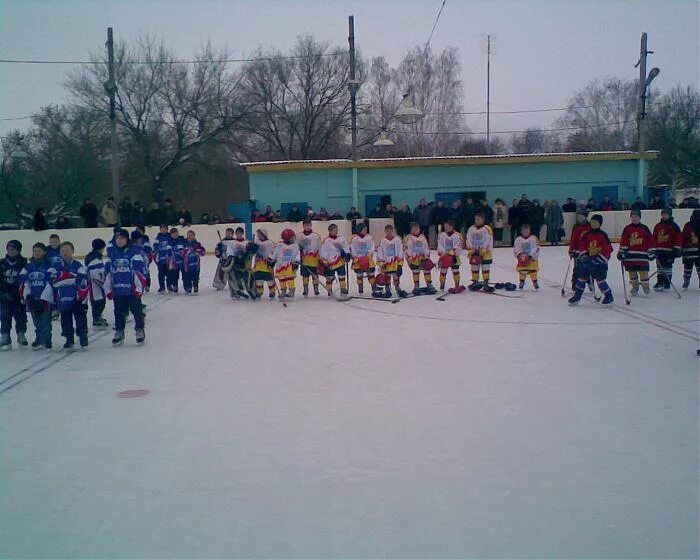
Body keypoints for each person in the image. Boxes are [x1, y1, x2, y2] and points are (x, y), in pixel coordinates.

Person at [105, 229, 147, 346]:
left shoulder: (134, 253)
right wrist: (108, 288)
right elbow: (108, 273)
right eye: (118, 238)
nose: (120, 240)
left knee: (137, 311)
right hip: (118, 291)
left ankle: (139, 329)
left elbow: (139, 272)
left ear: (127, 239)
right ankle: (119, 331)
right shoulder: (112, 253)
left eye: (122, 238)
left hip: (132, 290)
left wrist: (138, 288)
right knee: (118, 312)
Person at [568, 214, 613, 306]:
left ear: (600, 224)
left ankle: (608, 296)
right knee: (581, 279)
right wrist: (584, 257)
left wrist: (597, 260)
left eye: (596, 222)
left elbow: (608, 249)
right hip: (587, 262)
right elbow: (582, 246)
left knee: (600, 280)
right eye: (592, 222)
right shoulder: (586, 235)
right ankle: (577, 296)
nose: (594, 224)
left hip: (599, 263)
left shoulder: (603, 235)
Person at [50, 241, 89, 350]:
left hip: (76, 297)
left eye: (67, 250)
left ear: (72, 251)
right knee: (65, 320)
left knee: (80, 318)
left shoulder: (78, 265)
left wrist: (82, 297)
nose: (65, 252)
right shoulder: (56, 266)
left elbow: (83, 281)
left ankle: (83, 336)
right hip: (62, 299)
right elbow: (52, 279)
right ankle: (69, 338)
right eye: (63, 251)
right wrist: (69, 277)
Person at [19, 243, 53, 350]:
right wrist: (27, 295)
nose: (36, 253)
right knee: (36, 322)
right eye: (35, 251)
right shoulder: (28, 267)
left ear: (44, 252)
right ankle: (39, 339)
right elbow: (22, 280)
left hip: (45, 300)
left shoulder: (49, 266)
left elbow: (51, 282)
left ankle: (47, 340)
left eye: (39, 251)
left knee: (46, 321)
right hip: (32, 299)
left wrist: (45, 297)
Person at [618, 209, 654, 296]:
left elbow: (650, 241)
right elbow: (624, 241)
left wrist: (652, 251)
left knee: (643, 272)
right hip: (630, 256)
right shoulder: (627, 229)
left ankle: (646, 287)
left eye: (636, 217)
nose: (634, 219)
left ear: (640, 218)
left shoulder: (644, 228)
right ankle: (635, 287)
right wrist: (621, 252)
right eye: (632, 217)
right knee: (632, 272)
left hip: (642, 256)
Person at [0, 240, 28, 350]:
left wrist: (21, 293)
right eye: (9, 249)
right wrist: (2, 292)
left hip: (18, 296)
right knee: (5, 316)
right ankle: (5, 335)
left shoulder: (23, 263)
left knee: (20, 315)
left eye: (14, 249)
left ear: (19, 250)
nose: (11, 251)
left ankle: (21, 334)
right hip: (4, 295)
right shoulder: (2, 263)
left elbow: (25, 280)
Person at [652, 208, 682, 291]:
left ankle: (667, 283)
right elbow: (654, 238)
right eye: (663, 214)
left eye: (666, 214)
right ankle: (660, 282)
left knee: (667, 267)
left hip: (669, 251)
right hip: (659, 250)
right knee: (659, 267)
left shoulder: (674, 226)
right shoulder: (658, 226)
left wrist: (677, 249)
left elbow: (678, 238)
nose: (664, 216)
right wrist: (653, 248)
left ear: (670, 215)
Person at [404, 222, 436, 295]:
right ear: (411, 230)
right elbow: (407, 248)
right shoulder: (408, 238)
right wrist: (410, 258)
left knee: (426, 270)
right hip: (414, 258)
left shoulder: (422, 237)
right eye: (414, 229)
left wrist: (427, 256)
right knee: (415, 271)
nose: (416, 230)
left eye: (417, 229)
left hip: (423, 257)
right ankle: (416, 286)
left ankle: (429, 284)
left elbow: (426, 247)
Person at [466, 212, 495, 292]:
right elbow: (468, 239)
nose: (477, 221)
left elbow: (489, 240)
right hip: (474, 252)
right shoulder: (471, 229)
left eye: (478, 219)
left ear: (483, 220)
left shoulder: (487, 229)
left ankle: (486, 283)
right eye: (476, 219)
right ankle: (475, 282)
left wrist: (485, 248)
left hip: (485, 252)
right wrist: (471, 248)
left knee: (485, 267)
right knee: (474, 267)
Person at [319, 223, 350, 297]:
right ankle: (329, 290)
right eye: (334, 230)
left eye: (337, 230)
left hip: (340, 261)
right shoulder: (326, 240)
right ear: (330, 231)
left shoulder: (341, 238)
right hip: (330, 262)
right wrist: (324, 261)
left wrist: (348, 254)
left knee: (342, 276)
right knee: (329, 277)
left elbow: (346, 247)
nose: (336, 231)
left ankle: (343, 289)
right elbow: (324, 251)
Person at [376, 224, 406, 298]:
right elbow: (380, 252)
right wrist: (381, 262)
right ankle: (387, 290)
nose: (388, 232)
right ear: (385, 232)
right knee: (387, 276)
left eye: (390, 231)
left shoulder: (397, 240)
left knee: (396, 275)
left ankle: (397, 288)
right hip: (386, 262)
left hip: (394, 261)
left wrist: (400, 263)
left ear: (393, 231)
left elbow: (400, 251)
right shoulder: (382, 241)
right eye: (387, 231)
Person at [84, 239, 109, 328]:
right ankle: (96, 318)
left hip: (94, 284)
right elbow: (95, 274)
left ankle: (97, 317)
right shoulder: (95, 258)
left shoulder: (92, 256)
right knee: (99, 302)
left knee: (97, 301)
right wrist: (103, 283)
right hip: (95, 285)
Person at [349, 222, 378, 295]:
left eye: (366, 229)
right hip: (358, 259)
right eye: (364, 229)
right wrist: (357, 256)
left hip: (367, 258)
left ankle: (373, 287)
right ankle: (360, 288)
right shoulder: (355, 238)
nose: (365, 230)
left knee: (371, 273)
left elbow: (371, 247)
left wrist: (368, 255)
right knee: (359, 274)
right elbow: (353, 249)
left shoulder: (369, 237)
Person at [437, 220, 464, 293]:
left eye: (447, 227)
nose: (445, 228)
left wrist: (453, 252)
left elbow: (459, 244)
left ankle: (457, 284)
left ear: (452, 227)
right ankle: (442, 285)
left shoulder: (457, 235)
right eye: (445, 227)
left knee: (455, 270)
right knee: (443, 271)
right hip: (444, 256)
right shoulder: (442, 235)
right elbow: (440, 245)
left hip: (454, 256)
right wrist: (444, 252)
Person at [297, 219, 322, 297]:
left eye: (308, 225)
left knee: (315, 274)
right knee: (305, 275)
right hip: (304, 259)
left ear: (311, 225)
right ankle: (305, 289)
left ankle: (316, 288)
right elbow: (295, 247)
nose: (307, 227)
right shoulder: (299, 236)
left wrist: (320, 257)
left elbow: (319, 247)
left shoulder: (316, 236)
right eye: (305, 225)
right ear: (303, 226)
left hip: (314, 259)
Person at [272, 229, 301, 298]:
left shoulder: (295, 245)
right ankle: (283, 290)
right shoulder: (279, 245)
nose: (293, 239)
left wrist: (296, 262)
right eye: (292, 237)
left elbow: (297, 254)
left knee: (290, 278)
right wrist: (271, 260)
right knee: (281, 278)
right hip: (280, 266)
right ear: (287, 239)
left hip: (290, 266)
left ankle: (291, 290)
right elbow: (274, 253)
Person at [568, 209, 591, 292]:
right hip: (577, 252)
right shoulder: (576, 226)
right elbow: (573, 239)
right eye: (578, 216)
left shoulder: (590, 226)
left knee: (589, 267)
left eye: (581, 216)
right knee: (577, 268)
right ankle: (575, 283)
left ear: (585, 217)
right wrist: (571, 250)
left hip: (588, 251)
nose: (579, 218)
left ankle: (589, 281)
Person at [513, 223, 540, 290]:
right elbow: (516, 248)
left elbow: (536, 248)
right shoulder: (518, 239)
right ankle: (521, 282)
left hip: (531, 259)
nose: (526, 232)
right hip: (522, 259)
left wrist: (531, 255)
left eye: (527, 231)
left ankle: (535, 282)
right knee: (522, 271)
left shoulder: (533, 238)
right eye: (524, 231)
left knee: (533, 271)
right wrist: (519, 255)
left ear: (530, 231)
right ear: (521, 231)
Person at [252, 228, 277, 299]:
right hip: (258, 264)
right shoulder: (257, 242)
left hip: (267, 265)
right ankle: (259, 291)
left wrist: (272, 261)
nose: (258, 236)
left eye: (259, 234)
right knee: (258, 279)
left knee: (270, 280)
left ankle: (272, 291)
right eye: (257, 234)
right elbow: (254, 252)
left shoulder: (270, 243)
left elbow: (274, 253)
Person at [681, 209, 700, 289]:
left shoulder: (687, 226)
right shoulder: (689, 226)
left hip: (687, 252)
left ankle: (686, 281)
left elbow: (682, 237)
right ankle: (686, 281)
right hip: (697, 252)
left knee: (687, 268)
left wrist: (680, 248)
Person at [182, 230, 206, 295]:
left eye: (191, 235)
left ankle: (195, 287)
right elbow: (181, 253)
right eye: (188, 235)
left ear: (194, 236)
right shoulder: (184, 243)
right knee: (187, 277)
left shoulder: (197, 244)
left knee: (196, 277)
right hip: (187, 265)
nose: (189, 236)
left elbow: (203, 252)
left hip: (196, 265)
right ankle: (188, 287)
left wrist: (198, 251)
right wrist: (186, 252)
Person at [167, 228, 186, 293]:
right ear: (171, 235)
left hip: (183, 261)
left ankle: (186, 287)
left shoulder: (182, 239)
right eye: (174, 234)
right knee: (174, 275)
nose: (175, 235)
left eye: (176, 233)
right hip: (174, 262)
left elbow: (185, 249)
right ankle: (175, 286)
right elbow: (168, 251)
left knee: (185, 275)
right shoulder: (169, 241)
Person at [154, 225, 171, 294]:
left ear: (167, 229)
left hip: (168, 260)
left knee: (169, 274)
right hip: (161, 259)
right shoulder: (158, 237)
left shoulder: (169, 237)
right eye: (162, 229)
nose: (163, 230)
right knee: (161, 274)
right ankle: (162, 287)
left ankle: (169, 286)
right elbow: (155, 247)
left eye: (165, 229)